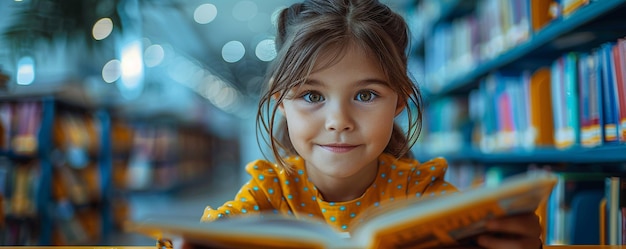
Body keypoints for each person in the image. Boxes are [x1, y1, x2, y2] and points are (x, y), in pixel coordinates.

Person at [199, 0, 543, 248]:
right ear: (280, 103)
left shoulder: (421, 191)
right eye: (311, 96)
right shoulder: (269, 190)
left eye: (365, 95)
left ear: (399, 102)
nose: (339, 122)